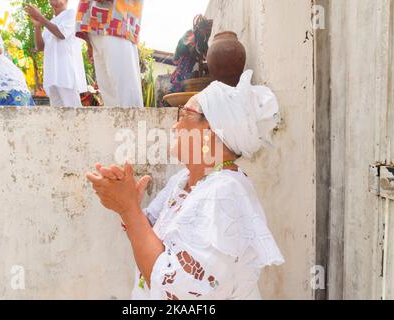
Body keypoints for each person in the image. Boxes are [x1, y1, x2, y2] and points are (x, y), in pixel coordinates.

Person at [86, 70, 284, 300]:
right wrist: (126, 202)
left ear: (210, 131)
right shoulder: (182, 181)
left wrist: (128, 209)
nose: (174, 127)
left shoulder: (224, 194)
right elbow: (146, 235)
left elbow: (177, 292)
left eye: (184, 114)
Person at [76, 0, 144, 107]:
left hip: (116, 21)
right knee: (111, 98)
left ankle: (132, 124)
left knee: (126, 94)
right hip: (97, 25)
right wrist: (89, 42)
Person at [26, 0, 87, 107]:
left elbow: (61, 33)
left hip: (66, 74)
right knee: (57, 116)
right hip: (52, 76)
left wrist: (40, 17)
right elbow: (40, 47)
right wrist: (37, 26)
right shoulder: (50, 22)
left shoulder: (71, 14)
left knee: (74, 113)